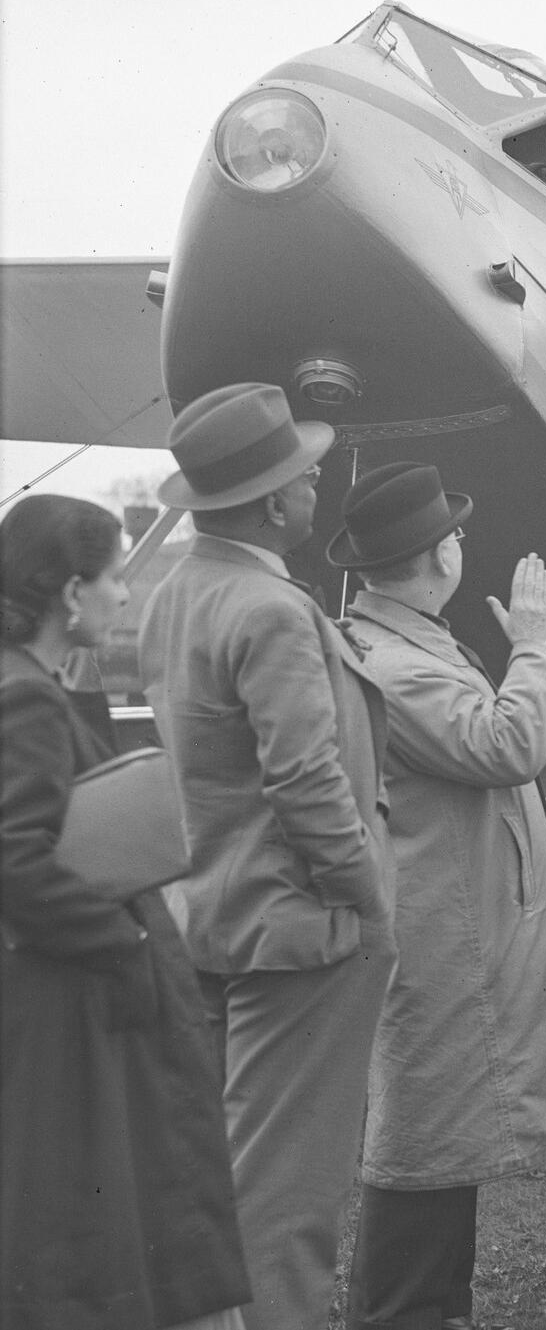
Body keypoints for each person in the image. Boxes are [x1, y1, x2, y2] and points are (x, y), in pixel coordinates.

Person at [139, 383, 396, 1330]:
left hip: (214, 920)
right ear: (267, 503)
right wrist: (366, 898)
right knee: (288, 1198)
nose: (315, 480)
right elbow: (306, 782)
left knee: (221, 1178)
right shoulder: (270, 609)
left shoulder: (173, 597)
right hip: (304, 935)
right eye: (300, 473)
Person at [328, 463, 546, 1330]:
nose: (460, 542)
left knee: (443, 1161)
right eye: (450, 533)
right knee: (421, 1164)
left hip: (454, 946)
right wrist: (529, 645)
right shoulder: (399, 665)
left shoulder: (400, 642)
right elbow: (507, 743)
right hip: (445, 960)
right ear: (430, 555)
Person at [2, 494, 250, 1330]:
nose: (122, 597)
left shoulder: (28, 684)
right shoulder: (25, 698)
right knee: (100, 1216)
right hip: (71, 1002)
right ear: (71, 593)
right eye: (112, 579)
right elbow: (17, 860)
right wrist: (127, 937)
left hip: (58, 991)